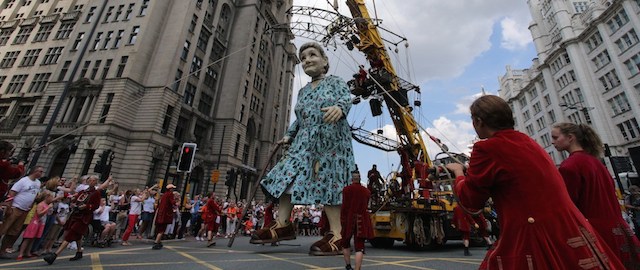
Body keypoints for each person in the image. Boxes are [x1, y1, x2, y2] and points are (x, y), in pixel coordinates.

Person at [445, 95, 624, 269]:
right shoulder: (527, 141)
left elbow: (470, 201)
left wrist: (459, 174)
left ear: (478, 121)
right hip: (568, 228)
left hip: (532, 234)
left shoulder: (486, 147)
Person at [252, 41, 356, 256]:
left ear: (325, 61)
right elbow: (299, 119)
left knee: (330, 182)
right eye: (303, 58)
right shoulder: (303, 91)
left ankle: (337, 234)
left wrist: (339, 108)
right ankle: (282, 224)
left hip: (330, 143)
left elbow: (347, 98)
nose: (307, 60)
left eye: (312, 55)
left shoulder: (335, 81)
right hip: (303, 143)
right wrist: (289, 135)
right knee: (285, 176)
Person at [552, 122, 640, 268]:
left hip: (597, 232)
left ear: (570, 137)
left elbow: (569, 204)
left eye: (555, 137)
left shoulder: (569, 166)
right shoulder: (596, 162)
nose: (552, 142)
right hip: (620, 229)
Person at [44, 175, 102, 265]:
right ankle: (79, 252)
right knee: (77, 234)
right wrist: (73, 203)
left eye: (93, 180)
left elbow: (96, 205)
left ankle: (55, 255)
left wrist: (86, 206)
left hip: (84, 217)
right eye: (89, 180)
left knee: (71, 234)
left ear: (96, 182)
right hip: (76, 214)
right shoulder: (83, 191)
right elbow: (75, 199)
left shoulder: (96, 193)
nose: (91, 181)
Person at [0, 166, 43, 259]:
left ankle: (2, 251)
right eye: (40, 171)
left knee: (13, 232)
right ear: (34, 171)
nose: (41, 173)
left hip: (25, 210)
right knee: (4, 228)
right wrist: (9, 207)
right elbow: (12, 192)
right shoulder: (24, 181)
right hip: (15, 207)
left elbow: (35, 195)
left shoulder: (38, 183)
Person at [340, 169, 373, 270]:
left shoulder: (346, 190)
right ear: (360, 178)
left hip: (349, 219)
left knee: (345, 243)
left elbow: (344, 207)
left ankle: (348, 266)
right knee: (360, 246)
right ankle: (357, 268)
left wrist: (343, 221)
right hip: (362, 219)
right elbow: (367, 206)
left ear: (352, 178)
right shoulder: (366, 191)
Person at [17, 192, 52, 260]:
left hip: (41, 223)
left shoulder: (46, 204)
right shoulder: (41, 204)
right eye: (51, 197)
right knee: (28, 238)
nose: (51, 199)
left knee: (33, 238)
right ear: (46, 197)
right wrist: (48, 208)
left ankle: (28, 252)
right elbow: (39, 214)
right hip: (35, 222)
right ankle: (21, 253)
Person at [153, 184, 177, 250]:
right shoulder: (170, 194)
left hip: (160, 213)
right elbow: (173, 202)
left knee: (159, 228)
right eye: (172, 188)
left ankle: (159, 241)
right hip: (165, 214)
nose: (173, 190)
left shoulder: (164, 195)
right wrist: (176, 203)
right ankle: (156, 242)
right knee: (162, 229)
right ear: (170, 189)